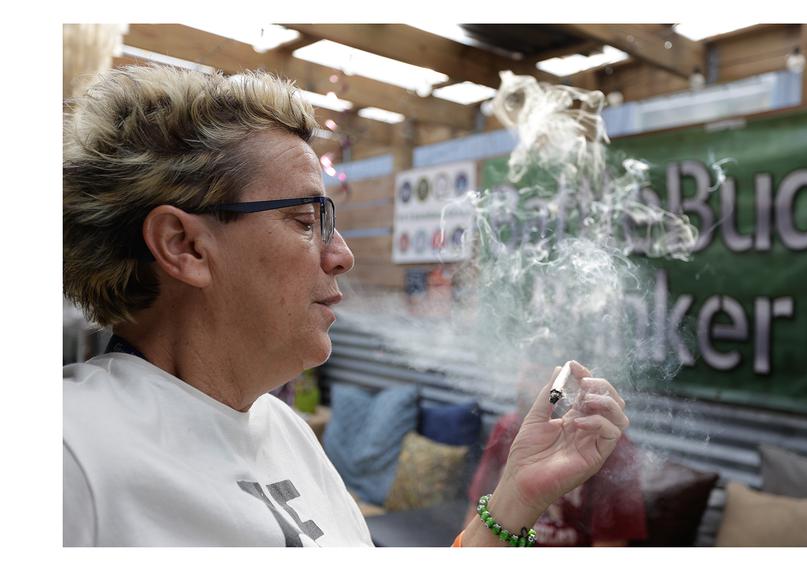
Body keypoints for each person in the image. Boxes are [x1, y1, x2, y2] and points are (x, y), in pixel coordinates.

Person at [62, 64, 630, 546]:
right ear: (185, 246)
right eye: (306, 221)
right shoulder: (69, 451)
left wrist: (515, 496)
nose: (343, 256)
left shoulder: (285, 430)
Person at [466, 365, 648, 546]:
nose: (523, 384)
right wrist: (521, 495)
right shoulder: (507, 428)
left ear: (570, 384)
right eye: (526, 370)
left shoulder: (602, 445)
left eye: (537, 372)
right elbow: (475, 515)